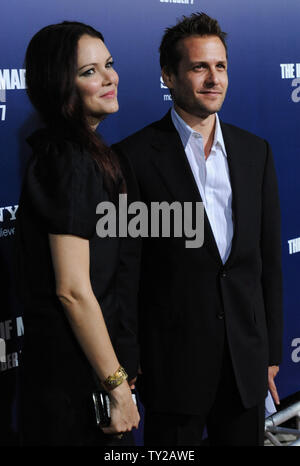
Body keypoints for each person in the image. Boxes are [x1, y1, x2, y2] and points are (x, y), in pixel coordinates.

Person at [113, 13, 283, 446]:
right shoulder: (132, 158)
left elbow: (266, 262)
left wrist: (270, 353)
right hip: (173, 370)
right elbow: (126, 272)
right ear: (168, 76)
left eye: (220, 66)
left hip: (245, 366)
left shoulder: (254, 152)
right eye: (199, 67)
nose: (213, 79)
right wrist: (127, 362)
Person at [15, 21, 140, 446]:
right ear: (59, 86)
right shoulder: (68, 160)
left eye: (108, 64)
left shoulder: (81, 153)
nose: (109, 78)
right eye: (89, 71)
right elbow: (72, 289)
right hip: (71, 391)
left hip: (79, 379)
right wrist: (117, 385)